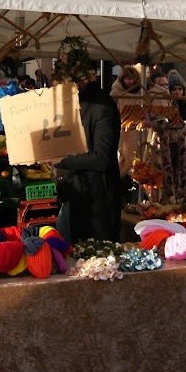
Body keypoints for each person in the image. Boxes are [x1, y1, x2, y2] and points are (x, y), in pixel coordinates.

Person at [51, 44, 122, 242]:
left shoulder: (102, 106)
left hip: (98, 200)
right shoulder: (71, 103)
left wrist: (60, 160)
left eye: (68, 81)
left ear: (84, 79)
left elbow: (102, 158)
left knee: (96, 254)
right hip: (73, 193)